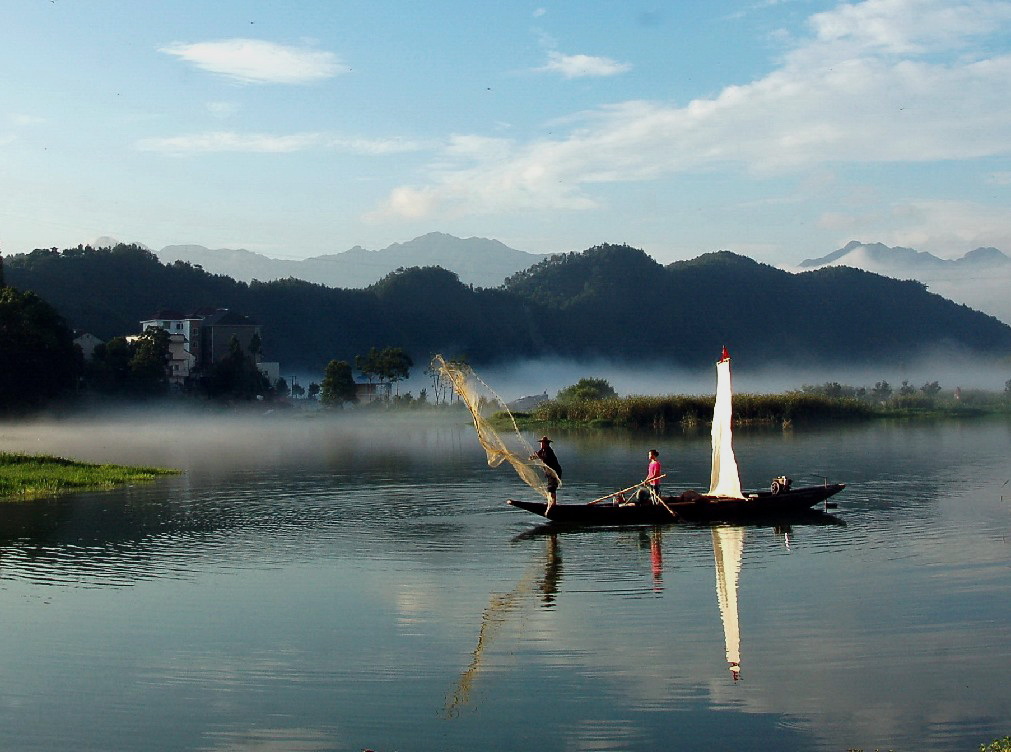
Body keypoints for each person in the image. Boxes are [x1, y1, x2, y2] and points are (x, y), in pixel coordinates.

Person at [534, 435, 562, 511]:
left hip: (555, 472)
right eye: (541, 443)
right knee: (549, 489)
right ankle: (550, 504)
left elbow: (546, 459)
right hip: (550, 473)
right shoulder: (542, 451)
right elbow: (535, 456)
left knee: (552, 489)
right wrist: (534, 457)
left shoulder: (549, 451)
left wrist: (539, 457)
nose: (541, 444)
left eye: (543, 443)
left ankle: (553, 506)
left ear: (546, 444)